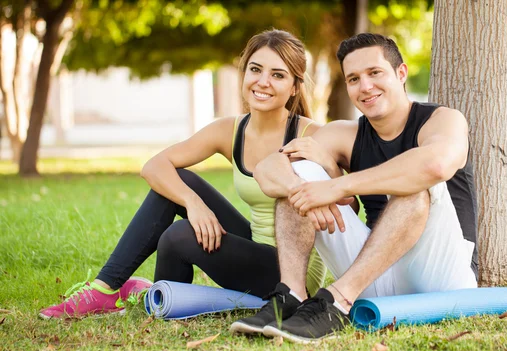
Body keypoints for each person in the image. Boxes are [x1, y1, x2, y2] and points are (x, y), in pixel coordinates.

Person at [40, 29, 327, 320]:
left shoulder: (310, 134)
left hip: (294, 273)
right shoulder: (231, 130)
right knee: (179, 180)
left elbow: (347, 203)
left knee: (178, 235)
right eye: (255, 69)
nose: (262, 82)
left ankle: (148, 294)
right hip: (255, 247)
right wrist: (193, 203)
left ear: (294, 87)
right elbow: (154, 166)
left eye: (277, 75)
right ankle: (114, 290)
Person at [230, 33, 479, 343]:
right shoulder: (344, 133)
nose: (365, 87)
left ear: (400, 74)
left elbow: (435, 166)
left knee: (416, 187)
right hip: (374, 273)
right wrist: (302, 189)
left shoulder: (443, 120)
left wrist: (336, 186)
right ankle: (290, 296)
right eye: (353, 79)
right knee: (300, 174)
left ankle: (337, 302)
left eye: (375, 73)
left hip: (442, 277)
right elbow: (268, 170)